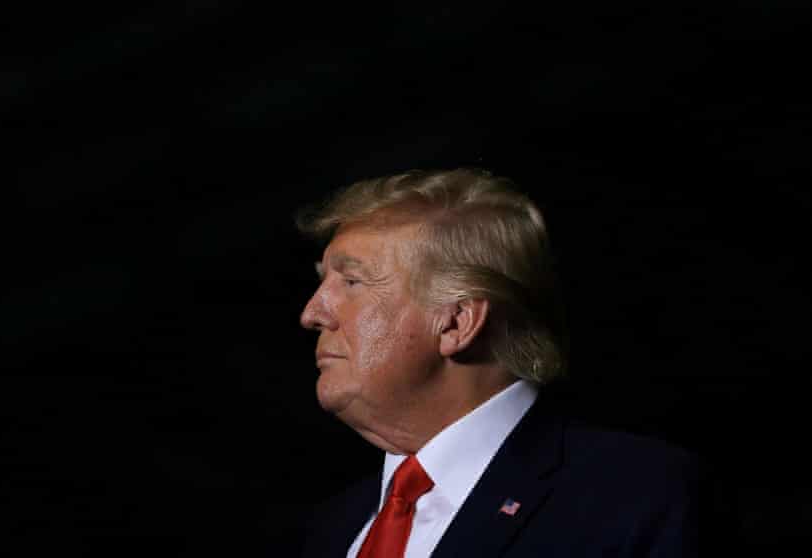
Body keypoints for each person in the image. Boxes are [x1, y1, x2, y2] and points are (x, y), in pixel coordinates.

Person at [295, 168, 730, 557]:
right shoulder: (324, 532)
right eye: (323, 283)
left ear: (457, 322)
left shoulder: (640, 495)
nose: (312, 313)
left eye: (351, 281)